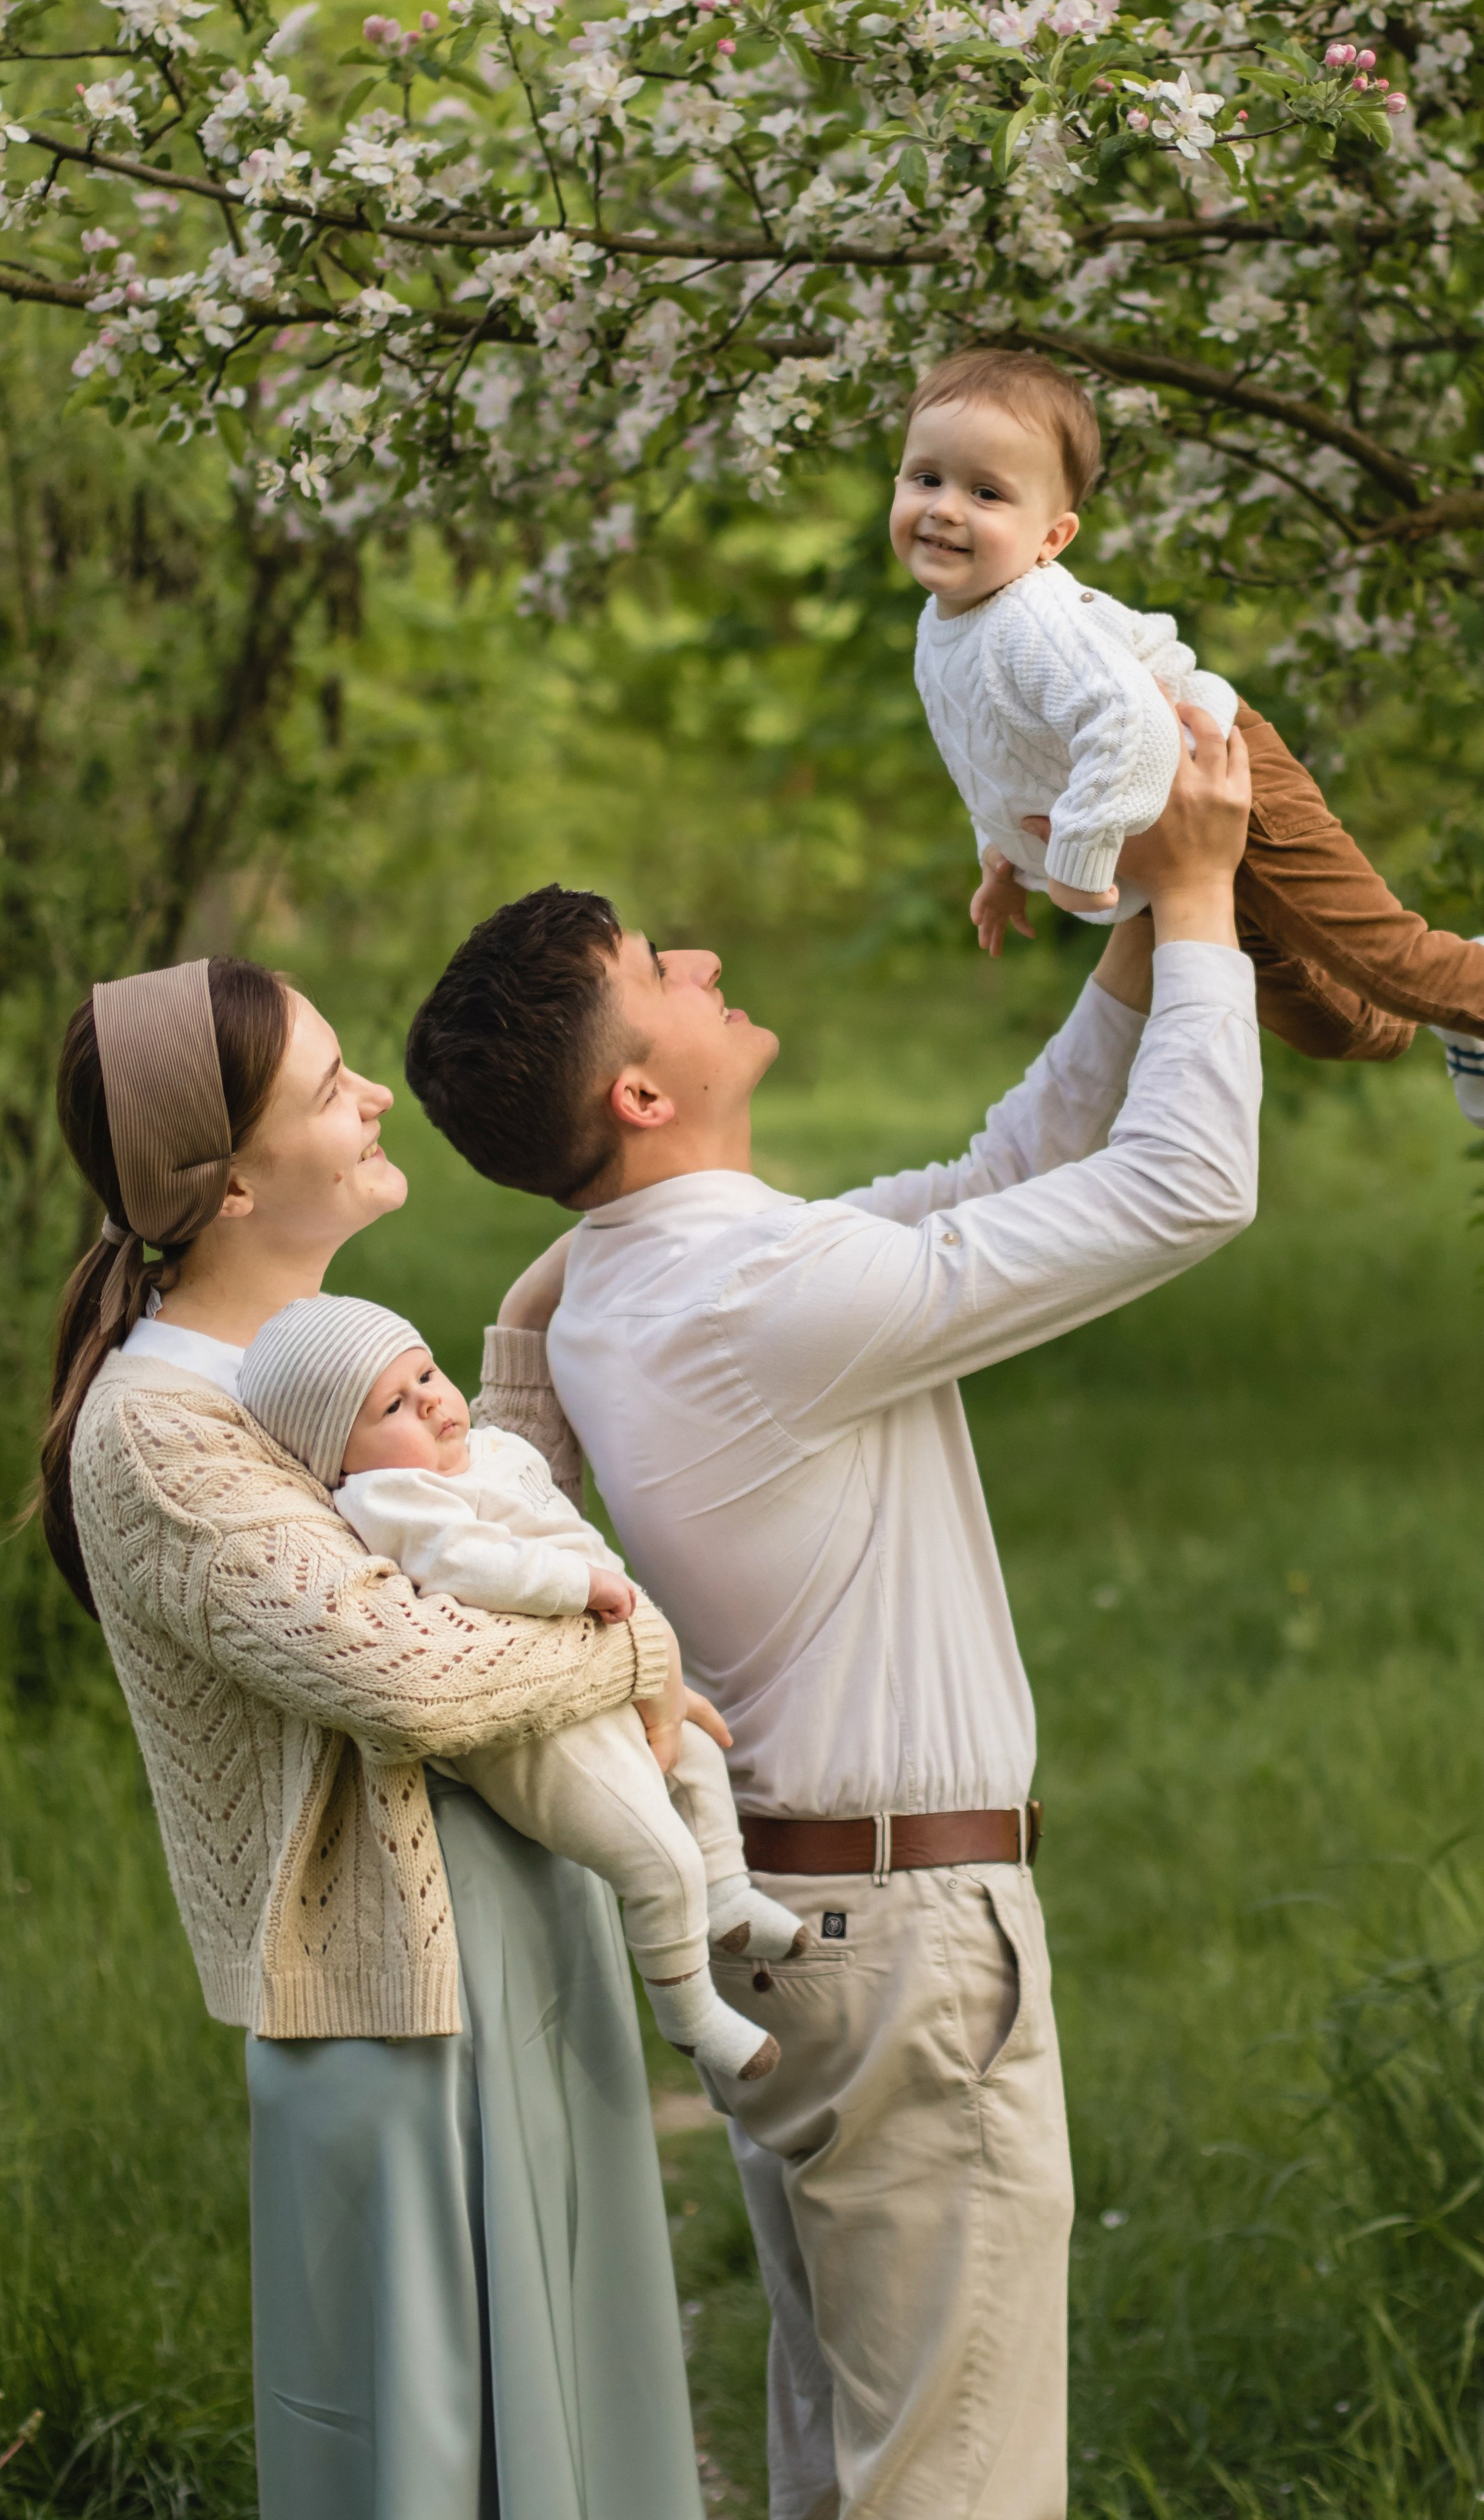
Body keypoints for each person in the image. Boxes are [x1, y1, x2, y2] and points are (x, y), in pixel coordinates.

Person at [401, 715, 1260, 2520]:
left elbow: (995, 1176)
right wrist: (1195, 909)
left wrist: (1130, 939)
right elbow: (1186, 1186)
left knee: (858, 2461)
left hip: (820, 1925)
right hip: (892, 1936)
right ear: (639, 1092)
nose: (701, 958)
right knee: (943, 2483)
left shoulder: (679, 1274)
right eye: (659, 971)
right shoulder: (745, 1293)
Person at [41, 954, 706, 2520]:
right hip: (386, 1997)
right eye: (327, 1088)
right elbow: (408, 1674)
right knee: (421, 2461)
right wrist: (632, 1649)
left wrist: (595, 1626)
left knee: (589, 2425)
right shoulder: (162, 1431)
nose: (375, 1098)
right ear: (225, 1184)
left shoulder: (328, 1351)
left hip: (525, 1926)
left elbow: (481, 1557)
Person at [899, 343, 1484, 1172]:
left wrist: (1079, 854)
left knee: (1376, 950)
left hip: (1229, 780)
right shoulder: (945, 625)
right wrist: (1003, 863)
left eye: (986, 493)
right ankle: (1473, 1001)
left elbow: (1137, 728)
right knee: (1329, 1024)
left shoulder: (1028, 622)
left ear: (1052, 536)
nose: (945, 509)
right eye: (925, 479)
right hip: (1163, 836)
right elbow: (1000, 757)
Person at [237, 1290, 810, 2081]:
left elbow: (564, 1522)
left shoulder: (492, 1453)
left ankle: (729, 1890)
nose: (433, 1400)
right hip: (531, 1728)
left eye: (427, 1373)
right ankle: (691, 2017)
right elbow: (469, 1564)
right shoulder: (389, 1497)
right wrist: (579, 1586)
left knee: (697, 1756)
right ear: (339, 1456)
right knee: (652, 1854)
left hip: (600, 1668)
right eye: (394, 1406)